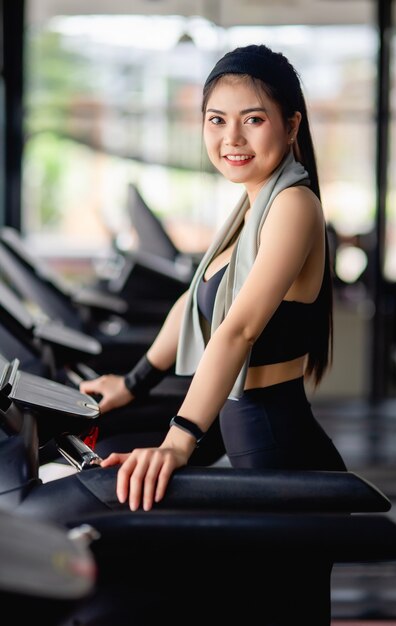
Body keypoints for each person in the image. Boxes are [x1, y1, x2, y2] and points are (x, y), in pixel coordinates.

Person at [80, 44, 347, 515]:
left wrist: (178, 441)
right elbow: (192, 302)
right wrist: (133, 382)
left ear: (291, 126)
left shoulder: (293, 205)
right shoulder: (252, 205)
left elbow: (238, 329)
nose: (232, 138)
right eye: (217, 120)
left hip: (275, 442)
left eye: (254, 120)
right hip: (246, 429)